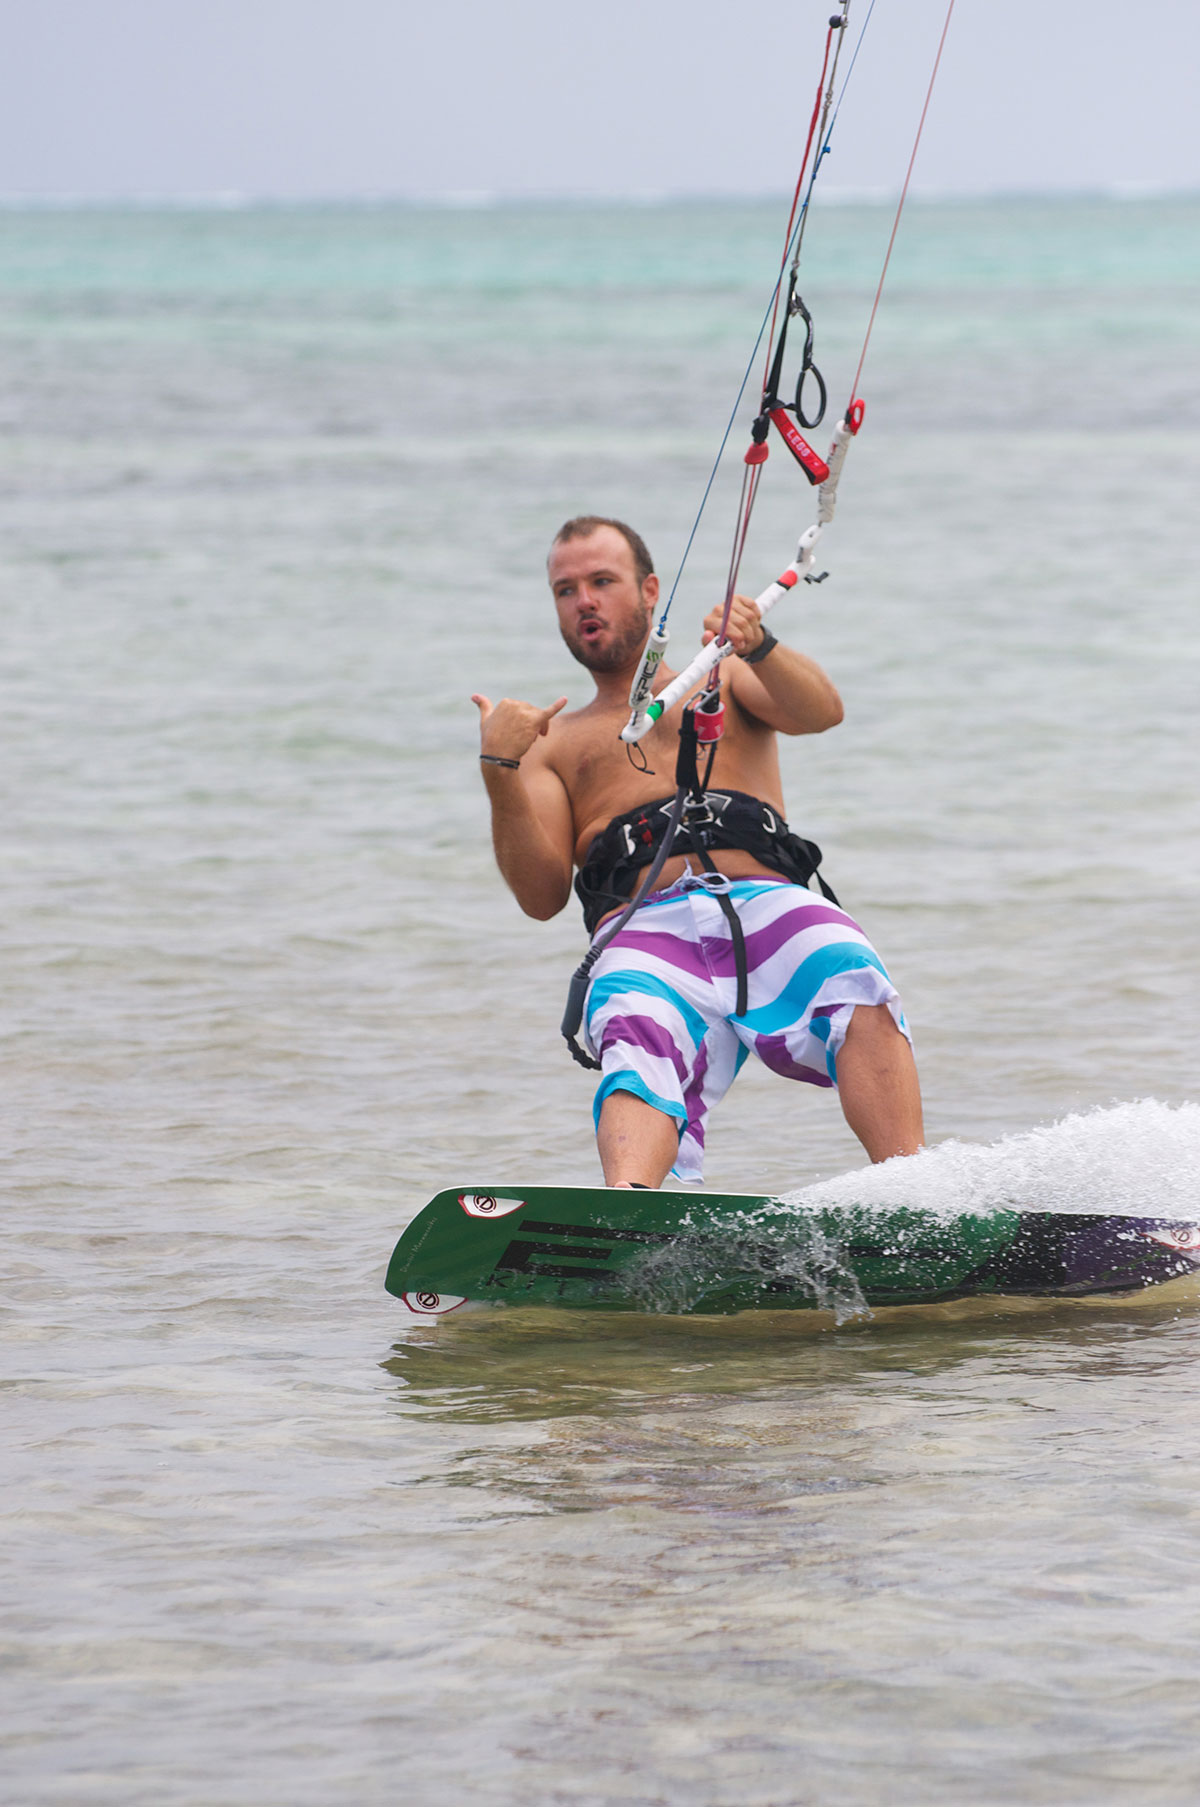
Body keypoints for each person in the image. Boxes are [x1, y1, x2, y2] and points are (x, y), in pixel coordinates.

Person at [472, 514, 923, 1188]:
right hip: (642, 929)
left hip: (766, 901)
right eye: (566, 590)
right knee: (633, 1027)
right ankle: (629, 1210)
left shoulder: (726, 674)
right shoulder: (550, 744)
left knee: (846, 966)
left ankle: (912, 1185)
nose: (584, 601)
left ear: (650, 590)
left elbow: (822, 712)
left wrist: (760, 645)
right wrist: (498, 770)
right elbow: (541, 898)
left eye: (602, 581)